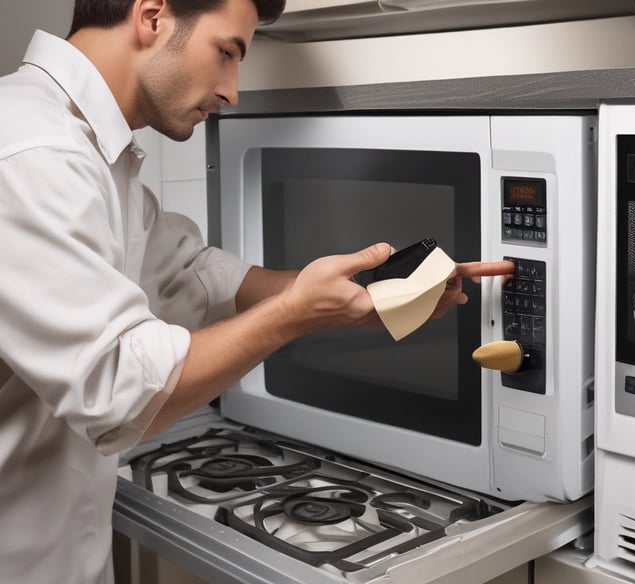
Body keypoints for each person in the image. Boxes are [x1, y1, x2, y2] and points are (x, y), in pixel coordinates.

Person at [0, 0, 514, 582]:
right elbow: (120, 390)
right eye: (226, 52)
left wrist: (351, 298)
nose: (232, 91)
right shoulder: (34, 153)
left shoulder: (86, 150)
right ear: (152, 15)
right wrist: (294, 313)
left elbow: (190, 273)